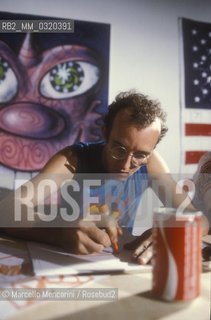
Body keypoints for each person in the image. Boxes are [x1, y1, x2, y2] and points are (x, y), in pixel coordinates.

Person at [0, 90, 209, 264]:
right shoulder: (73, 159)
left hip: (118, 262)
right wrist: (57, 231)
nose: (126, 165)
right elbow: (8, 209)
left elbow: (200, 219)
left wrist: (175, 232)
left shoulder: (151, 163)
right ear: (105, 134)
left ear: (151, 150)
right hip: (63, 261)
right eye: (119, 149)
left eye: (140, 155)